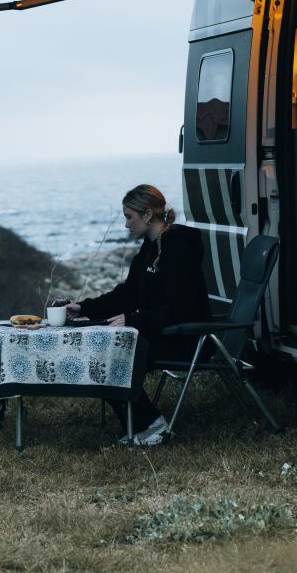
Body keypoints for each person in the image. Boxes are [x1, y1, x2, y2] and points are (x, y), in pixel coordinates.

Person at [66, 184, 210, 445]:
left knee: (111, 357)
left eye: (128, 217)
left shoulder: (178, 249)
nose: (125, 225)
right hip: (161, 333)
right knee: (102, 350)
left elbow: (183, 309)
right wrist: (83, 308)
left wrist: (133, 320)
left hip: (186, 340)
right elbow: (127, 295)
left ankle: (151, 427)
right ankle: (140, 425)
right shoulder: (149, 249)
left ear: (146, 216)